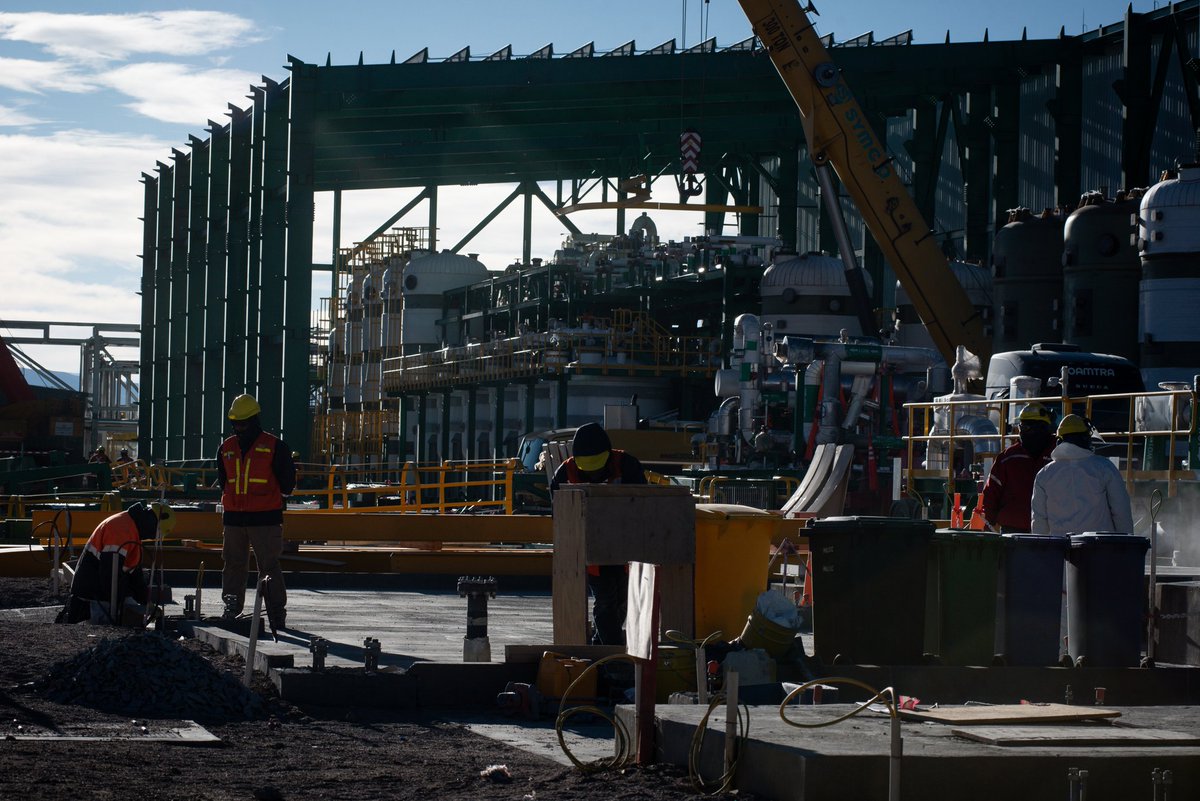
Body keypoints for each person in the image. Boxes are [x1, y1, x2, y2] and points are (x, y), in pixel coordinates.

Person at [549, 422, 646, 646]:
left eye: (596, 466)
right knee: (605, 602)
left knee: (621, 601)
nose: (592, 473)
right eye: (587, 468)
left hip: (623, 547)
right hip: (589, 549)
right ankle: (610, 653)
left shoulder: (627, 465)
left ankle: (599, 646)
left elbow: (643, 504)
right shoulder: (565, 472)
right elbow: (559, 515)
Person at [216, 393, 297, 633]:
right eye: (236, 423)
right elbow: (224, 482)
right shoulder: (226, 448)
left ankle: (275, 615)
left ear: (254, 420)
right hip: (234, 518)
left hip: (265, 519)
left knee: (269, 567)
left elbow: (287, 484)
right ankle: (232, 608)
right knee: (232, 564)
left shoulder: (275, 447)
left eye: (243, 423)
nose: (239, 428)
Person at [61, 501, 175, 625]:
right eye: (155, 534)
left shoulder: (132, 530)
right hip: (91, 599)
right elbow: (109, 573)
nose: (152, 537)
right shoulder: (121, 529)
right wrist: (122, 607)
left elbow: (134, 575)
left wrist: (146, 603)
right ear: (153, 525)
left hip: (101, 593)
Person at [1031, 414, 1134, 536]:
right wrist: (1126, 546)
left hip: (1060, 550)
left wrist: (1042, 551)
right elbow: (1121, 511)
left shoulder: (1044, 475)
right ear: (1086, 439)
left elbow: (1039, 521)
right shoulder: (1104, 468)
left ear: (1059, 441)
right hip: (1101, 548)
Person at [979, 402, 1055, 532]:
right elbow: (991, 494)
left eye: (1027, 427)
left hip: (1021, 530)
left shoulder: (1008, 458)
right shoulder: (1058, 454)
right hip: (1050, 530)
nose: (1025, 431)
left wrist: (989, 524)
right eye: (1023, 427)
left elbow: (991, 495)